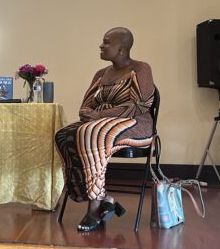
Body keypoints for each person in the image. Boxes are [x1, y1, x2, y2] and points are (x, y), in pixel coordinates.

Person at [55, 27, 155, 232]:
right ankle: (103, 197)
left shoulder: (141, 69)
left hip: (135, 123)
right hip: (99, 123)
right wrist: (87, 113)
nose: (101, 45)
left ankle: (94, 209)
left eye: (107, 42)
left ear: (122, 48)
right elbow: (87, 104)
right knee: (64, 135)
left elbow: (141, 105)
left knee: (94, 133)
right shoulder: (101, 74)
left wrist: (99, 116)